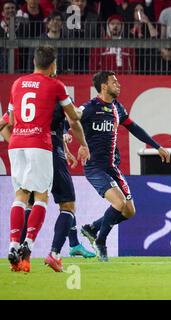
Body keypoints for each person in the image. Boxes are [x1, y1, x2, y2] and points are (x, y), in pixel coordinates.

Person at [7, 45, 90, 272]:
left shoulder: (17, 84)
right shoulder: (55, 85)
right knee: (42, 196)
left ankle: (13, 244)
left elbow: (11, 119)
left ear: (34, 61)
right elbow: (73, 118)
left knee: (21, 195)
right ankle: (29, 245)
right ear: (53, 64)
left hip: (16, 143)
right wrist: (82, 135)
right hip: (40, 143)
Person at [79, 71, 170, 262]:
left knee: (129, 211)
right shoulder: (89, 108)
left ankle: (92, 228)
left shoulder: (117, 108)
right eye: (114, 82)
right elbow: (70, 120)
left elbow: (134, 128)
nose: (118, 84)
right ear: (104, 86)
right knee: (119, 203)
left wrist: (157, 146)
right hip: (94, 167)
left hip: (112, 167)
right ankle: (100, 242)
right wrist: (67, 135)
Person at [1, 112, 95, 272]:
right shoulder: (56, 91)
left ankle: (20, 257)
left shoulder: (21, 88)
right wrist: (83, 144)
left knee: (27, 201)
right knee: (67, 204)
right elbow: (74, 120)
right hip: (48, 150)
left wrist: (18, 143)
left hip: (27, 151)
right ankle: (54, 254)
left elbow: (5, 125)